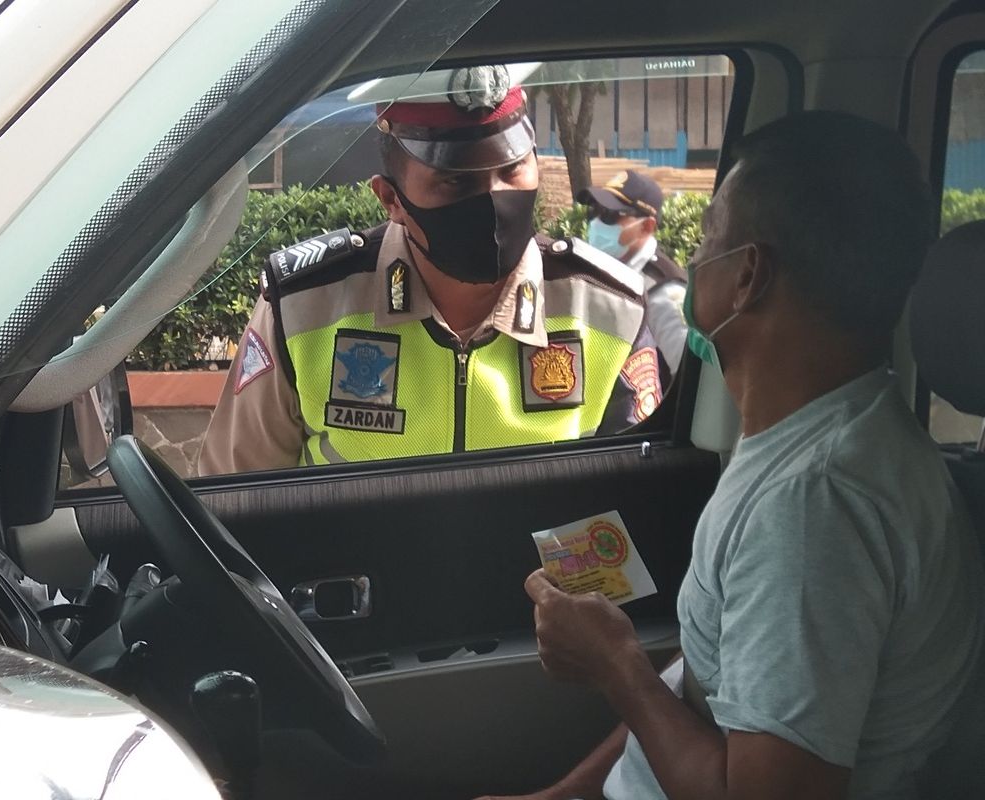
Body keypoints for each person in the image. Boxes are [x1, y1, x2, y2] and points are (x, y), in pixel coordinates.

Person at [481, 111, 985, 800]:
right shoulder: (824, 437)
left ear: (747, 275)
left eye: (711, 235)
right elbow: (709, 688)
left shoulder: (815, 506)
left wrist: (616, 664)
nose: (693, 257)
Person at [199, 66, 663, 475]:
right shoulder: (306, 302)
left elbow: (637, 499)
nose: (493, 199)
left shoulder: (607, 307)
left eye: (512, 170)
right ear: (391, 199)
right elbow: (235, 492)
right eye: (456, 181)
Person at [579, 171, 689, 377]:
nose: (596, 224)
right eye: (594, 212)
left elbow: (686, 377)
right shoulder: (603, 274)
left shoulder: (664, 292)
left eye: (610, 215)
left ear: (647, 226)